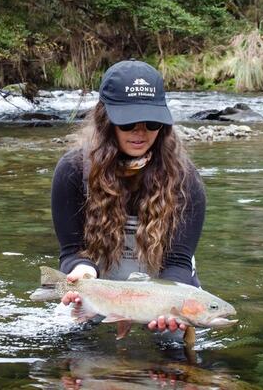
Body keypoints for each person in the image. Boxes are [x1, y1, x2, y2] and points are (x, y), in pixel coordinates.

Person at [51, 60, 206, 334]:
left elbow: (179, 263)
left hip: (166, 286)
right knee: (64, 346)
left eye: (152, 122)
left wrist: (169, 306)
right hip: (97, 285)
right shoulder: (73, 171)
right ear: (106, 119)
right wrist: (81, 272)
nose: (141, 131)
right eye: (128, 122)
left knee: (180, 364)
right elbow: (71, 250)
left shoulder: (185, 179)